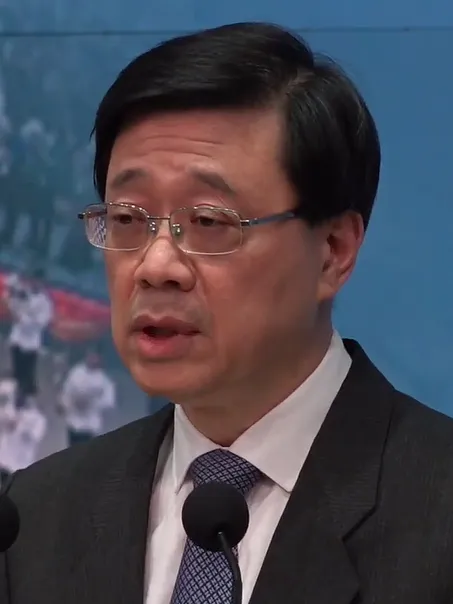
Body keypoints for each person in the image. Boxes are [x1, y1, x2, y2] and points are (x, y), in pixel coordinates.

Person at [2, 22, 453, 604]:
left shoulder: (436, 509)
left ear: (333, 251)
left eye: (209, 222)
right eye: (128, 219)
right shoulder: (36, 517)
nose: (155, 265)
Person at [4, 268, 53, 408]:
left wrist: (23, 319)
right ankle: (14, 394)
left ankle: (25, 397)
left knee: (27, 372)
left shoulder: (45, 302)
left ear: (42, 283)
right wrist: (12, 298)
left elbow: (41, 323)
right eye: (33, 280)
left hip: (31, 342)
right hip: (17, 338)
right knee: (17, 368)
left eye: (38, 281)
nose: (34, 283)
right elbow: (12, 304)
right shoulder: (24, 293)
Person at [57, 349, 116, 446]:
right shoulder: (76, 372)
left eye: (96, 357)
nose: (93, 359)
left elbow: (109, 401)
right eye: (91, 356)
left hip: (90, 426)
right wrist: (63, 404)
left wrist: (91, 403)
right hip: (73, 423)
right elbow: (67, 391)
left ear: (100, 359)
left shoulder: (104, 380)